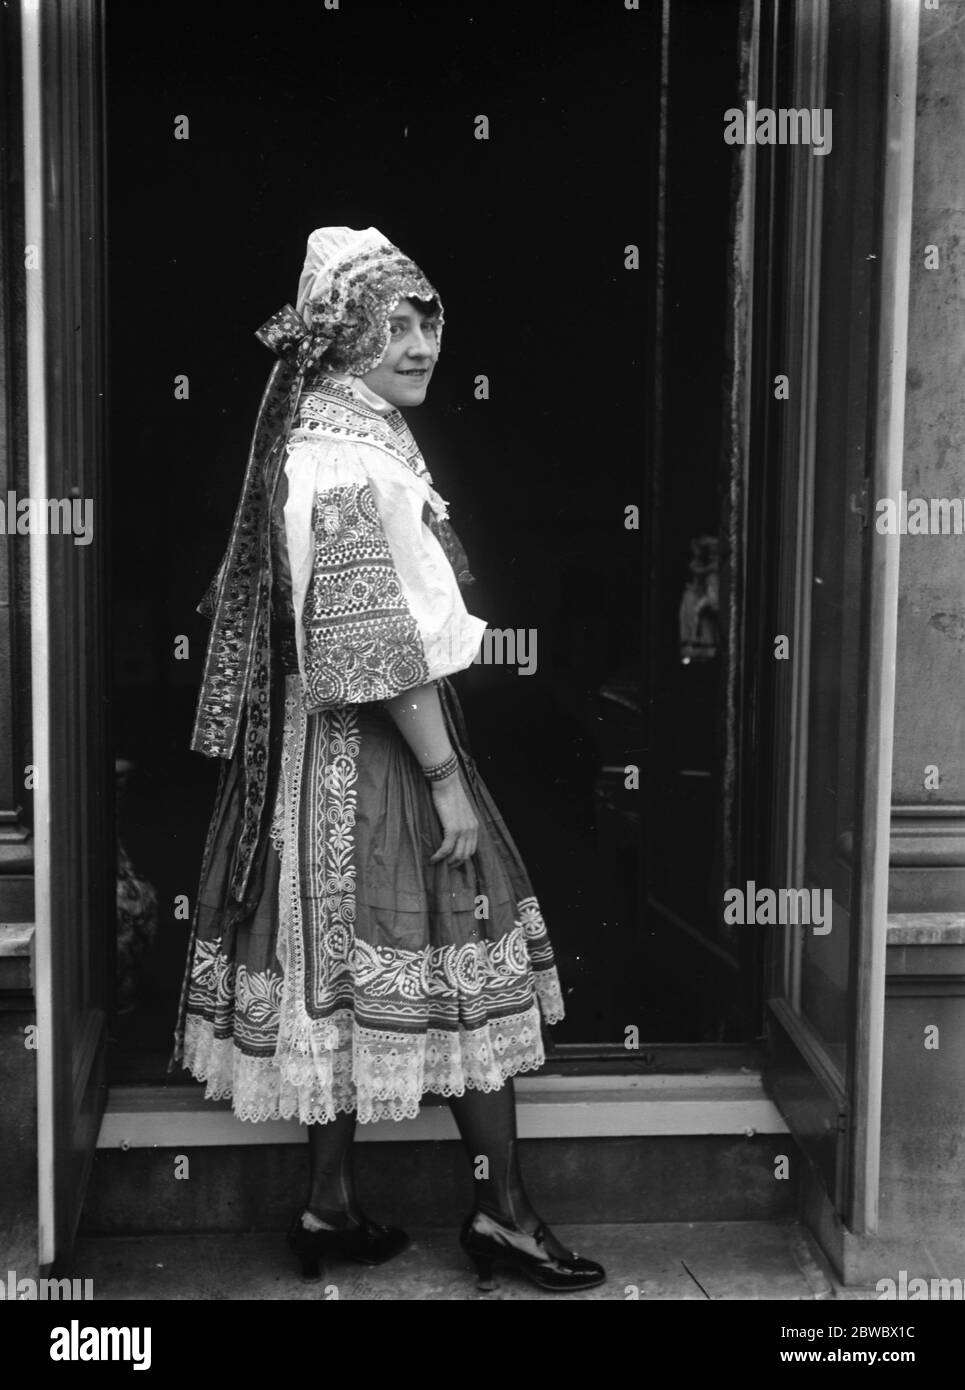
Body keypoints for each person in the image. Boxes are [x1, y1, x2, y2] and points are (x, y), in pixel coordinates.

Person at [172, 226, 605, 1294]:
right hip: (373, 751)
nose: (418, 344)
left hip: (302, 752)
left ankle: (327, 1205)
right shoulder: (352, 457)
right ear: (341, 339)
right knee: (461, 945)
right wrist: (446, 775)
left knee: (340, 975)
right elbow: (374, 641)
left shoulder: (311, 436)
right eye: (392, 325)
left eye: (426, 322)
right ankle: (502, 1213)